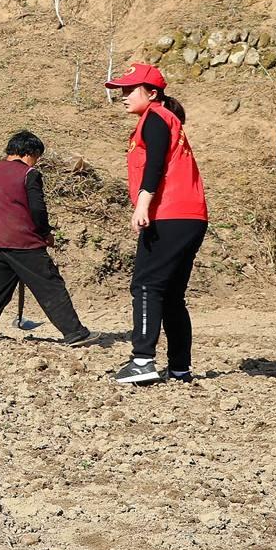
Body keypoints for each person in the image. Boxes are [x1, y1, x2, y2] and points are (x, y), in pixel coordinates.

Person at [105, 63, 208, 385]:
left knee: (147, 285)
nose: (122, 96)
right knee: (172, 295)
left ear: (152, 93)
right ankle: (180, 367)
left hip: (170, 213)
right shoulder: (164, 119)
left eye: (129, 90)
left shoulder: (155, 119)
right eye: (121, 90)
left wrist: (143, 205)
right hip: (190, 216)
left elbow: (154, 166)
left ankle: (142, 361)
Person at [0, 131, 90, 347]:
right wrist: (45, 233)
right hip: (23, 241)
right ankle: (75, 333)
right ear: (29, 153)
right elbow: (38, 209)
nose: (37, 161)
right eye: (37, 156)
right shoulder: (29, 174)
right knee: (50, 285)